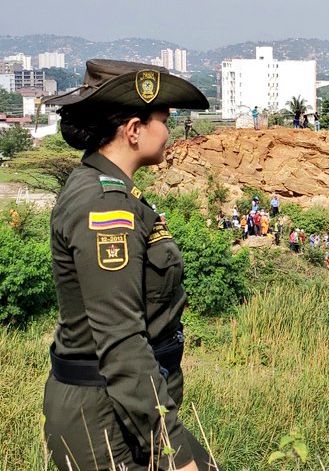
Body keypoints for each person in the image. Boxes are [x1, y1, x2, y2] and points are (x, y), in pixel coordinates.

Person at [41, 59, 212, 470]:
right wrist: (174, 450)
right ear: (134, 130)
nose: (169, 133)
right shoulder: (105, 206)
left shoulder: (107, 190)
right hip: (106, 416)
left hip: (122, 404)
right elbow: (121, 342)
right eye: (164, 121)